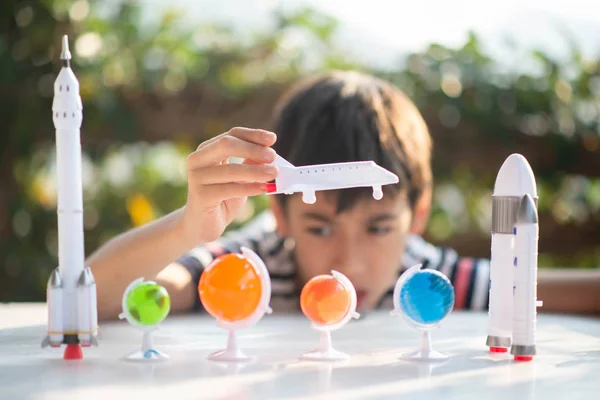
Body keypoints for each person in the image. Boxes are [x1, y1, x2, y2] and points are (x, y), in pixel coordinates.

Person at [87, 71, 600, 320]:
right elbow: (89, 301)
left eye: (379, 227)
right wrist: (185, 230)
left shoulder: (424, 279)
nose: (347, 262)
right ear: (279, 216)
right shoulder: (250, 267)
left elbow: (553, 288)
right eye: (320, 227)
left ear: (416, 215)